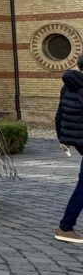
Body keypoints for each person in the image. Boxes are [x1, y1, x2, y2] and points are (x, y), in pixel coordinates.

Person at [54, 54, 83, 244]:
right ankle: (65, 227)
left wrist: (62, 138)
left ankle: (66, 226)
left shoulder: (70, 86)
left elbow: (59, 114)